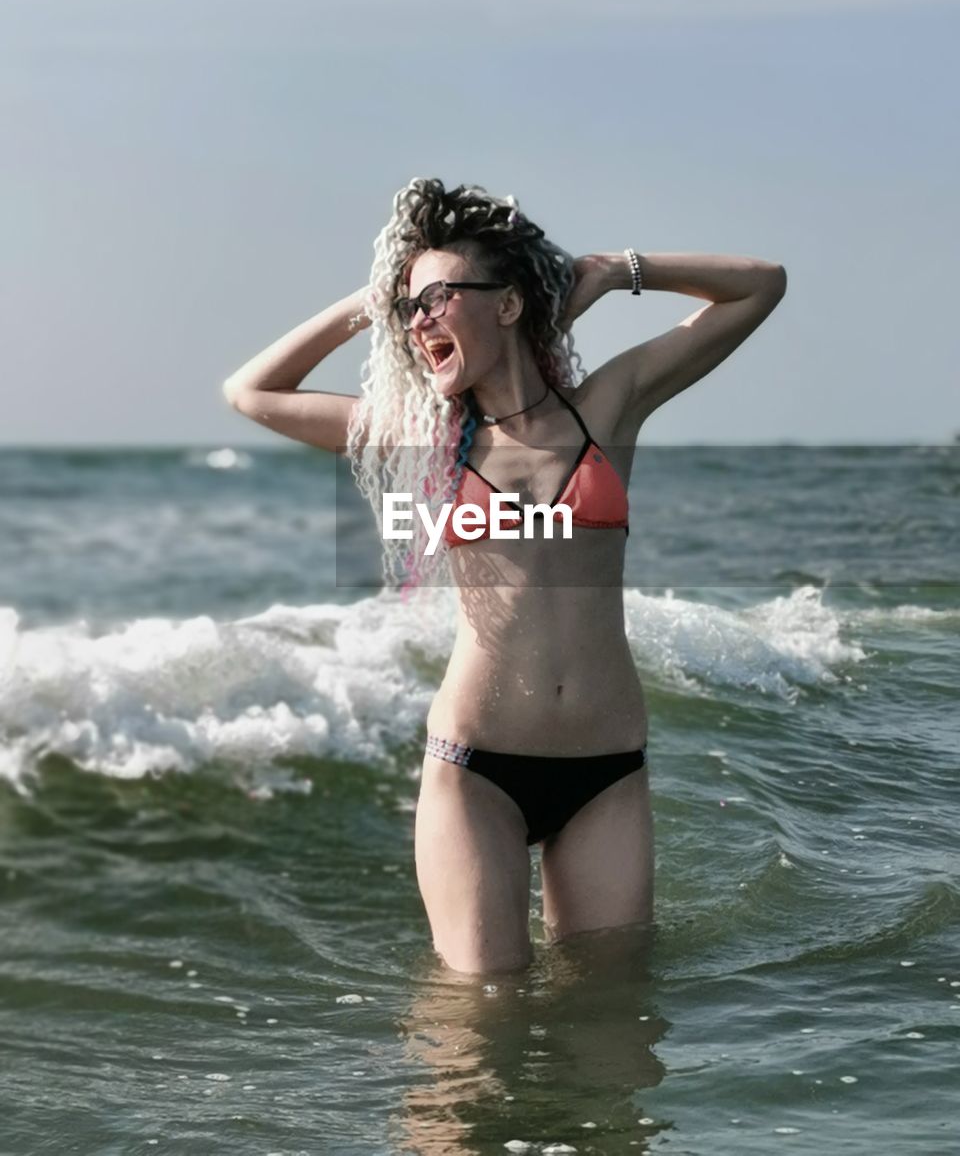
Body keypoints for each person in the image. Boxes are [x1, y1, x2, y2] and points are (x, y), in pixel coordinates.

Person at [223, 177, 787, 975]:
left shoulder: (607, 409)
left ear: (510, 305)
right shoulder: (418, 434)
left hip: (607, 772)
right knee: (476, 1034)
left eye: (438, 301)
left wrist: (613, 269)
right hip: (476, 772)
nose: (420, 325)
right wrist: (380, 298)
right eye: (409, 311)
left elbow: (761, 287)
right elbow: (251, 392)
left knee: (612, 1032)